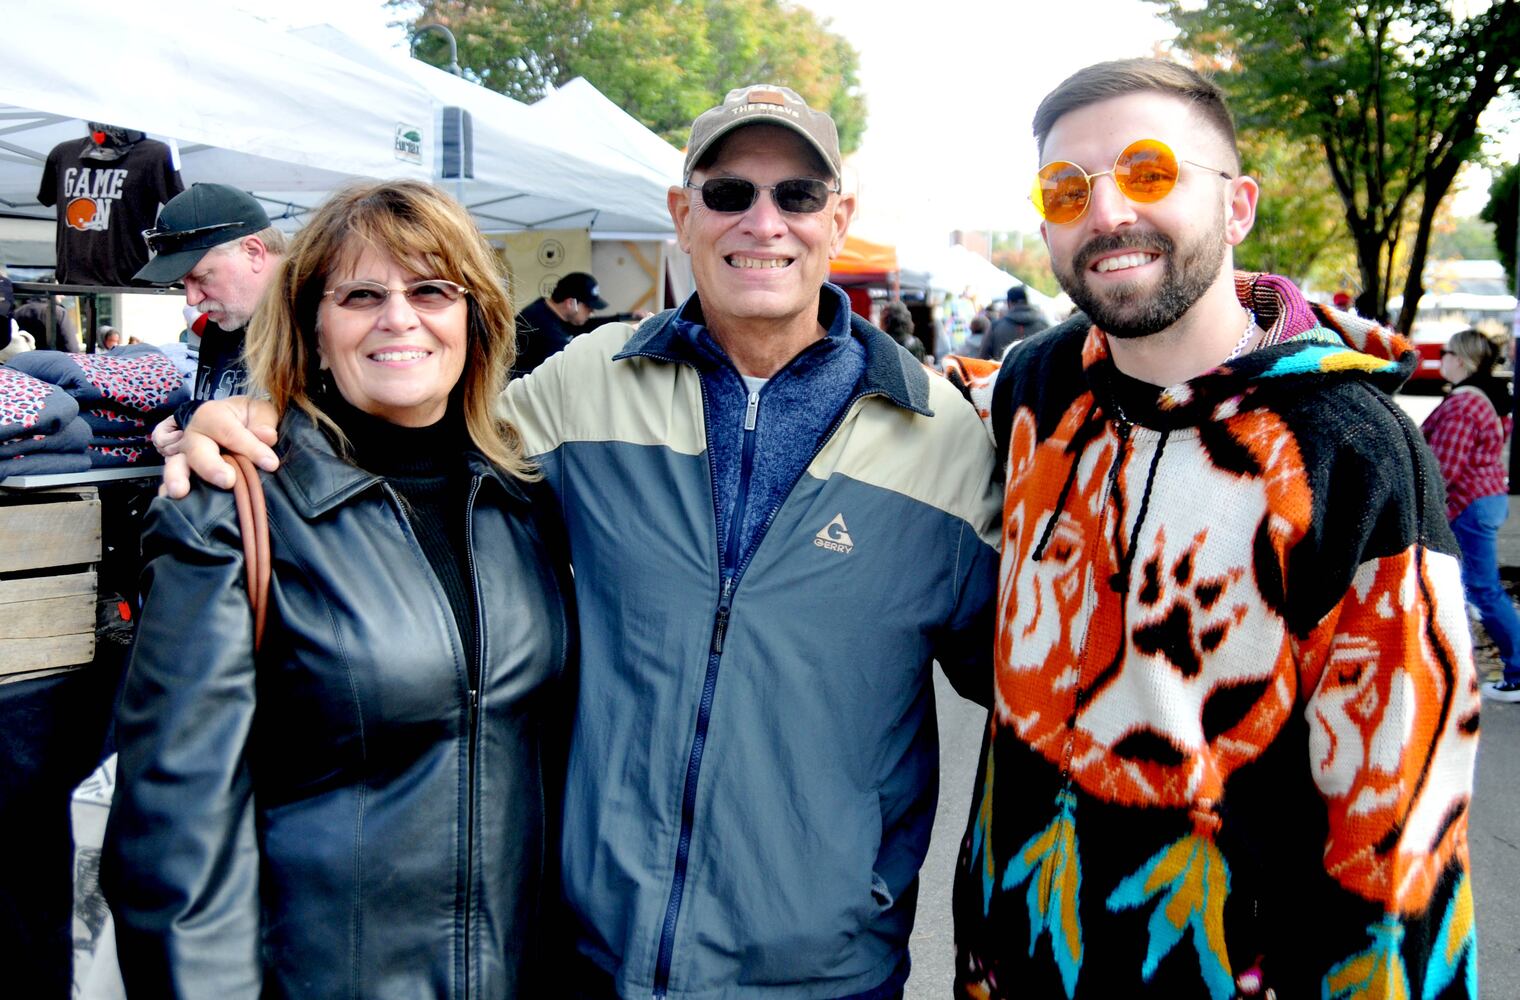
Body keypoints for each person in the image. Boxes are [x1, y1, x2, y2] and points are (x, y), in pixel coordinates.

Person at [163, 83, 999, 1000]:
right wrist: (260, 417)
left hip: (825, 970)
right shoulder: (586, 387)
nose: (763, 221)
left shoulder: (943, 439)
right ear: (682, 215)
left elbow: (1021, 692)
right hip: (592, 960)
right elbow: (420, 443)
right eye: (728, 193)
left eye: (797, 195)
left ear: (838, 219)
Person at [942, 58, 1479, 999]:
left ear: (1237, 207)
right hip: (1005, 967)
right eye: (1067, 187)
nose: (1105, 212)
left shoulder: (1350, 451)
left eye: (1149, 172)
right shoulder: (1036, 385)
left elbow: (1403, 842)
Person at [102, 180, 576, 998]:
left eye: (432, 289)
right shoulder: (233, 509)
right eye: (361, 294)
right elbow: (174, 847)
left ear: (473, 320)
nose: (400, 317)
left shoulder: (524, 496)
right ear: (315, 330)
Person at [134, 183, 286, 453]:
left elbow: (307, 433)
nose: (192, 299)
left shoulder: (320, 321)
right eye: (184, 283)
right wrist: (188, 421)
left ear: (254, 252)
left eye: (202, 277)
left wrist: (193, 419)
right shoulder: (229, 317)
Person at [1423, 328, 1520, 702]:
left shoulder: (1463, 405)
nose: (1440, 357)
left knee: (1483, 590)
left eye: (1445, 351)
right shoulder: (1486, 398)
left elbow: (1444, 469)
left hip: (1470, 506)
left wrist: (1427, 514)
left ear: (1460, 358)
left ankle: (1516, 672)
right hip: (1486, 500)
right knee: (1473, 589)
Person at [510, 270, 606, 376]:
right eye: (588, 307)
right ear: (570, 303)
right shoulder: (546, 329)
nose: (591, 313)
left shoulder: (542, 310)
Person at [978, 284, 1049, 360]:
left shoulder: (996, 327)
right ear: (1027, 301)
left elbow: (983, 358)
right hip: (1037, 371)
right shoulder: (1045, 326)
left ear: (1009, 303)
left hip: (1003, 370)